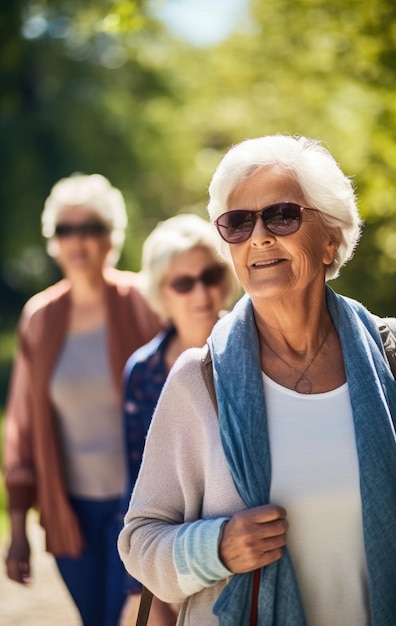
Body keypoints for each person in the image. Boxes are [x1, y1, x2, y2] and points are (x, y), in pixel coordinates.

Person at [118, 134, 396, 626]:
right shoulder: (198, 381)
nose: (259, 238)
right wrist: (215, 548)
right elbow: (139, 541)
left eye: (282, 215)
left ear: (331, 238)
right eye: (238, 223)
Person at [2, 173, 162, 626]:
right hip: (69, 508)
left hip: (138, 505)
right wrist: (17, 528)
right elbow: (21, 427)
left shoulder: (143, 301)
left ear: (111, 238)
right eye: (66, 230)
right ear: (54, 242)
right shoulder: (39, 318)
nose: (78, 240)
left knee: (129, 619)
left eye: (90, 227)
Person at [118, 213, 240, 626]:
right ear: (160, 294)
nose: (201, 292)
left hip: (239, 549)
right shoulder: (144, 370)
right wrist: (142, 585)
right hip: (165, 551)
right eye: (183, 283)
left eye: (209, 275)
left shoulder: (255, 352)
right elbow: (137, 483)